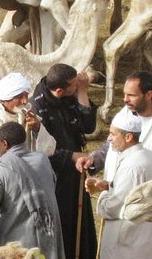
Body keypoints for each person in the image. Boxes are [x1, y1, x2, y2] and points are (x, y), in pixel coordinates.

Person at [76, 70, 152, 259]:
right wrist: (93, 159)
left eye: (131, 95)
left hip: (147, 208)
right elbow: (109, 147)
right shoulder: (124, 119)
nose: (125, 99)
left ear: (149, 95)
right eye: (124, 94)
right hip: (124, 210)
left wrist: (104, 195)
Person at [0, 72, 57, 251]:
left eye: (25, 96)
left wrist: (37, 128)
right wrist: (11, 172)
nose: (24, 101)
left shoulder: (30, 116)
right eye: (18, 97)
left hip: (21, 201)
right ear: (5, 100)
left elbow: (48, 151)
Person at [29, 63, 98, 259]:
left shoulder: (69, 96)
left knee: (81, 225)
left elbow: (88, 125)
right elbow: (41, 151)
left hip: (76, 172)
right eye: (75, 85)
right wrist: (70, 156)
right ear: (60, 90)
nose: (77, 87)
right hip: (55, 179)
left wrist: (82, 90)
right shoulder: (37, 109)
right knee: (64, 226)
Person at [0, 122, 65, 258]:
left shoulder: (0, 171)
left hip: (18, 252)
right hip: (49, 245)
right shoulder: (43, 161)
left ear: (4, 144)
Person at [85, 111, 152, 259]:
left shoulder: (132, 166)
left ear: (128, 137)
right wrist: (108, 186)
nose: (109, 139)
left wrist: (103, 196)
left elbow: (115, 206)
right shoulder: (150, 157)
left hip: (128, 244)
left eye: (113, 135)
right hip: (144, 239)